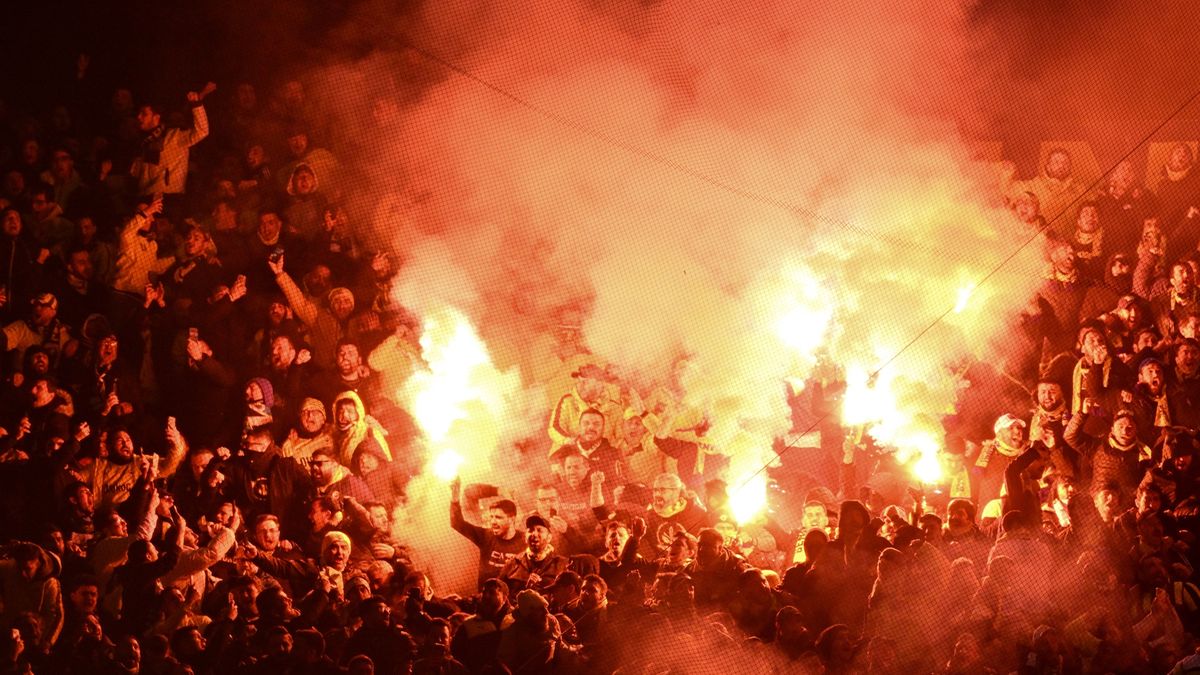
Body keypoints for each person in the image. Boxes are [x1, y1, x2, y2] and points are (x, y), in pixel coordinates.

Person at [449, 477, 526, 588]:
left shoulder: (525, 540)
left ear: (512, 518)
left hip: (512, 601)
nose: (493, 522)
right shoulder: (486, 536)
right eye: (491, 517)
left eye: (498, 517)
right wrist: (454, 499)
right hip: (485, 599)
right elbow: (457, 523)